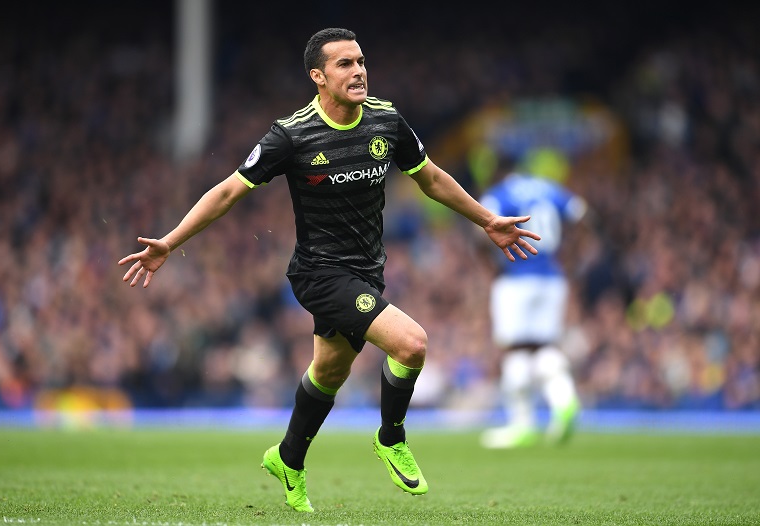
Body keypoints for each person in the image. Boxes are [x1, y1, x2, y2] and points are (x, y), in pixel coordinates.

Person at [118, 27, 540, 513]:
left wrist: (487, 219)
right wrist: (170, 241)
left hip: (367, 271)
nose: (358, 71)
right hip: (319, 273)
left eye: (360, 61)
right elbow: (229, 191)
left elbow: (431, 178)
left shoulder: (386, 121)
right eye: (344, 64)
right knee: (412, 344)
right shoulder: (291, 134)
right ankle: (391, 437)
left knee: (329, 371)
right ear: (318, 77)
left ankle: (287, 458)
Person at [477, 147, 586, 449]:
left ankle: (521, 424)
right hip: (552, 278)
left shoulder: (499, 194)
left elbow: (481, 233)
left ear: (497, 172)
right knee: (544, 346)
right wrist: (569, 258)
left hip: (516, 278)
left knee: (515, 349)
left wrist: (493, 268)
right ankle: (564, 397)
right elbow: (582, 214)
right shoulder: (549, 188)